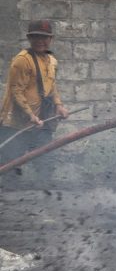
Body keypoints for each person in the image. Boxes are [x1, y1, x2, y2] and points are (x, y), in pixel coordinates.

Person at [0, 19, 70, 178]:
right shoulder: (22, 60)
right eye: (36, 37)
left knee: (45, 165)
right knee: (10, 169)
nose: (40, 41)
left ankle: (46, 196)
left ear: (50, 39)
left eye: (44, 37)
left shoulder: (52, 61)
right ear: (29, 38)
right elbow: (16, 91)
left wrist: (59, 105)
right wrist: (30, 115)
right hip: (16, 124)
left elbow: (52, 86)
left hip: (40, 124)